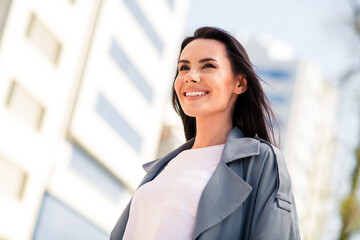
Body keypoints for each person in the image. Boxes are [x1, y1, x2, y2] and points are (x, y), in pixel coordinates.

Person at [110, 26, 300, 240]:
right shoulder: (162, 168)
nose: (190, 76)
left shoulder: (261, 161)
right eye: (183, 68)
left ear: (240, 82)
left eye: (208, 66)